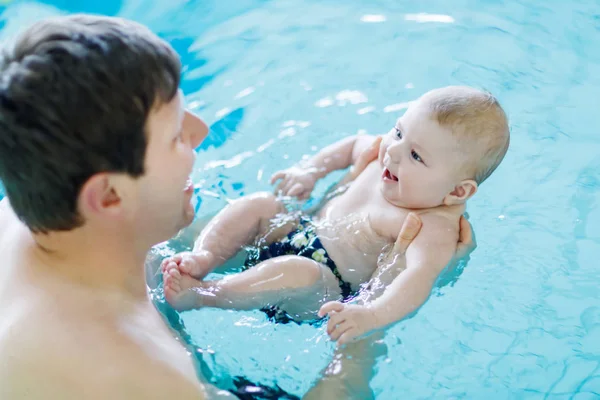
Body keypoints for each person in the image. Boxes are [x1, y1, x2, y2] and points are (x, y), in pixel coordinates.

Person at [0, 13, 475, 400]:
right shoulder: (150, 379)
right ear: (108, 196)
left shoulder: (37, 219)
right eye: (173, 135)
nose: (201, 130)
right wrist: (370, 322)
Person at [161, 85, 508, 344]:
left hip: (324, 287)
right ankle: (203, 257)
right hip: (297, 229)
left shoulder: (432, 225)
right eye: (398, 131)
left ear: (457, 191)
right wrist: (309, 171)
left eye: (417, 156)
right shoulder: (383, 154)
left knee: (297, 271)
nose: (394, 152)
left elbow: (417, 278)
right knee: (258, 204)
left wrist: (372, 315)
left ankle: (205, 293)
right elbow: (350, 146)